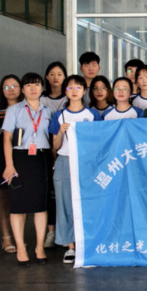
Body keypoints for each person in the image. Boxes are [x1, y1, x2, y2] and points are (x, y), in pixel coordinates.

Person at [48, 75, 102, 264]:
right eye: (70, 88)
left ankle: (86, 243)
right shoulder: (59, 115)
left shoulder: (92, 115)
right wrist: (60, 131)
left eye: (78, 87)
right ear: (65, 91)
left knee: (88, 202)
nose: (74, 91)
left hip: (87, 162)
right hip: (65, 161)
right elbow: (54, 146)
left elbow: (99, 142)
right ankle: (70, 246)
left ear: (84, 91)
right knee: (65, 203)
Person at [1, 73, 54, 266]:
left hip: (41, 158)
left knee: (41, 205)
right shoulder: (14, 110)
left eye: (37, 85)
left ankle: (39, 247)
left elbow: (52, 138)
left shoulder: (48, 110)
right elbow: (7, 138)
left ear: (42, 88)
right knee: (18, 205)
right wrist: (9, 165)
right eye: (29, 85)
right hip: (20, 158)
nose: (33, 88)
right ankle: (21, 248)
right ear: (22, 89)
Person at [0, 75, 23, 254]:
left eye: (14, 86)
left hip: (22, 156)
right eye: (6, 87)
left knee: (21, 197)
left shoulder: (27, 106)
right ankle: (6, 237)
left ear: (21, 88)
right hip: (1, 158)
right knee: (4, 197)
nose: (11, 90)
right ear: (2, 90)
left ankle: (19, 237)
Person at [40, 63, 66, 250]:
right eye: (52, 74)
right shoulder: (40, 99)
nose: (56, 77)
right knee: (49, 193)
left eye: (59, 74)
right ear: (47, 77)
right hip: (44, 150)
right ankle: (51, 231)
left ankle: (66, 232)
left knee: (65, 194)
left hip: (65, 152)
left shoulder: (71, 97)